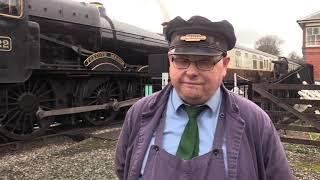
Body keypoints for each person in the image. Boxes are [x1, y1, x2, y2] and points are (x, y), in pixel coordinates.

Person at [115, 15, 292, 180]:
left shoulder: (256, 121)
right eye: (182, 60)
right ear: (170, 62)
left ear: (224, 65)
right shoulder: (139, 113)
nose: (191, 72)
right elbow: (123, 168)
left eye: (205, 61)